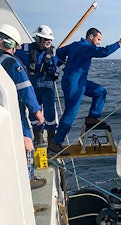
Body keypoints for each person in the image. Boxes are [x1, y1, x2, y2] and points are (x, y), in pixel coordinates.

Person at [48, 28, 121, 155]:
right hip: (74, 84)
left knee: (100, 92)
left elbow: (58, 53)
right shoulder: (86, 47)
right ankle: (56, 143)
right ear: (91, 37)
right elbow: (104, 52)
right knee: (70, 113)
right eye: (98, 39)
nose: (99, 42)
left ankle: (92, 118)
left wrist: (62, 65)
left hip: (78, 81)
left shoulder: (75, 44)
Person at [0, 24, 47, 189]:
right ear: (9, 44)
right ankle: (28, 178)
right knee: (27, 141)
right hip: (13, 111)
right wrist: (37, 112)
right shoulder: (11, 63)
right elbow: (25, 90)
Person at [15, 25, 58, 147]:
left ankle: (51, 140)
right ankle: (38, 138)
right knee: (34, 113)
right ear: (38, 39)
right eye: (45, 39)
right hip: (33, 87)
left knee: (50, 114)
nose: (49, 41)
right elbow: (11, 51)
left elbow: (62, 62)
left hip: (48, 87)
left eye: (50, 40)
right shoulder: (26, 50)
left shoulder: (53, 52)